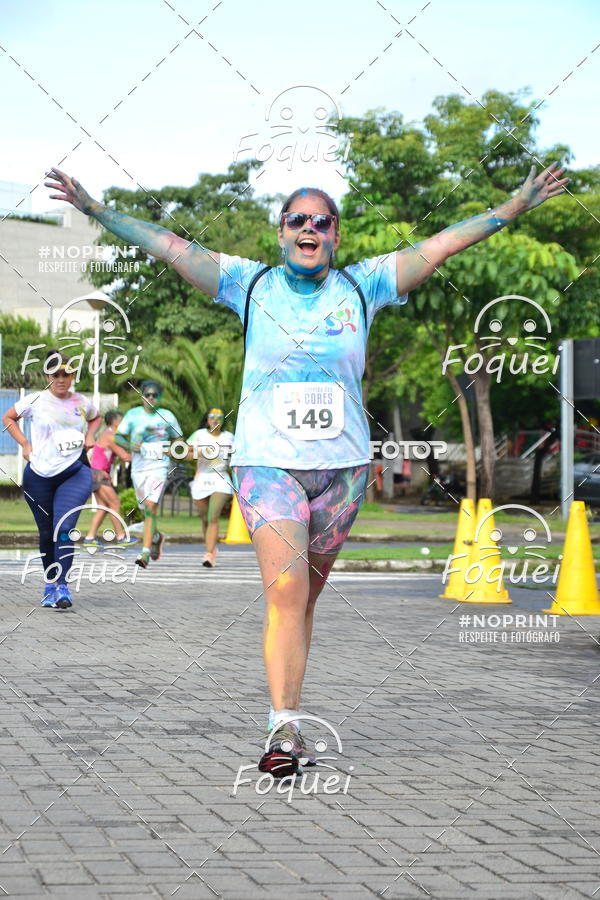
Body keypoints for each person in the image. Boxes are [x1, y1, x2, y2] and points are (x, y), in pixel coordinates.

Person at [45, 162, 568, 772]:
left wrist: (515, 205)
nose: (310, 229)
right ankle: (283, 730)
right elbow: (167, 246)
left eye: (322, 221)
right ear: (281, 232)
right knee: (288, 591)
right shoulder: (248, 282)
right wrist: (98, 211)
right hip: (268, 464)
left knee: (303, 599)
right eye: (298, 220)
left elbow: (443, 243)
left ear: (337, 236)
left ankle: (289, 701)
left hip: (343, 470)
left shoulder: (365, 285)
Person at [2, 350, 101, 609]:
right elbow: (8, 417)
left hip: (74, 473)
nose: (61, 379)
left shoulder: (81, 401)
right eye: (55, 374)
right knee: (47, 532)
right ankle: (50, 583)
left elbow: (95, 417)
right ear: (47, 375)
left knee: (65, 528)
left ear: (73, 375)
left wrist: (90, 437)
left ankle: (62, 586)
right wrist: (24, 444)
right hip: (39, 477)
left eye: (66, 374)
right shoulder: (35, 400)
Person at [113, 381, 182, 568]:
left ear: (160, 397)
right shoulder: (132, 415)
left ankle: (144, 553)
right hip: (138, 469)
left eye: (155, 395)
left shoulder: (167, 416)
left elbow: (179, 439)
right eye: (147, 394)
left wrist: (173, 450)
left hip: (159, 467)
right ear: (142, 396)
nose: (151, 398)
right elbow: (117, 437)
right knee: (145, 510)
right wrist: (129, 446)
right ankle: (157, 537)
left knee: (151, 507)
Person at [186, 408, 234, 567]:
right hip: (201, 479)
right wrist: (200, 452)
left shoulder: (229, 437)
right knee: (205, 518)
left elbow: (238, 457)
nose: (215, 420)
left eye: (219, 417)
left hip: (221, 479)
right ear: (207, 419)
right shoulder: (199, 435)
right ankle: (212, 549)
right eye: (212, 417)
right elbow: (184, 454)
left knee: (213, 517)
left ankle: (209, 555)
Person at [84, 409, 135, 548]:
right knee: (115, 503)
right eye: (122, 420)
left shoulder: (109, 435)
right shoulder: (110, 436)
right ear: (115, 422)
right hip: (98, 474)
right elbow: (124, 456)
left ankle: (89, 538)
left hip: (96, 474)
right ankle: (121, 537)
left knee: (103, 507)